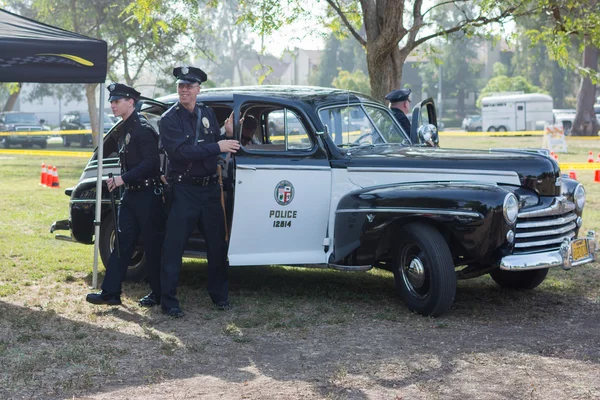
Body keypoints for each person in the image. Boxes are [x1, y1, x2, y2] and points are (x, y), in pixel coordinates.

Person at [159, 66, 240, 318]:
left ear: (198, 90)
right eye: (180, 86)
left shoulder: (207, 113)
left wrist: (224, 134)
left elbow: (207, 143)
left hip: (209, 189)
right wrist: (217, 144)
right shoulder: (168, 119)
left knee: (217, 245)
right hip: (184, 189)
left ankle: (219, 296)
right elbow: (181, 152)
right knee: (174, 247)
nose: (184, 90)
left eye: (189, 86)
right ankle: (169, 301)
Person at [86, 83, 164, 308]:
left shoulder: (142, 128)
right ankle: (110, 293)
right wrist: (120, 179)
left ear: (131, 102)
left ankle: (159, 294)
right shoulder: (125, 127)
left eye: (117, 101)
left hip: (148, 195)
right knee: (121, 244)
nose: (112, 105)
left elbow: (151, 163)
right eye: (111, 101)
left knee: (152, 245)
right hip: (130, 195)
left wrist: (123, 178)